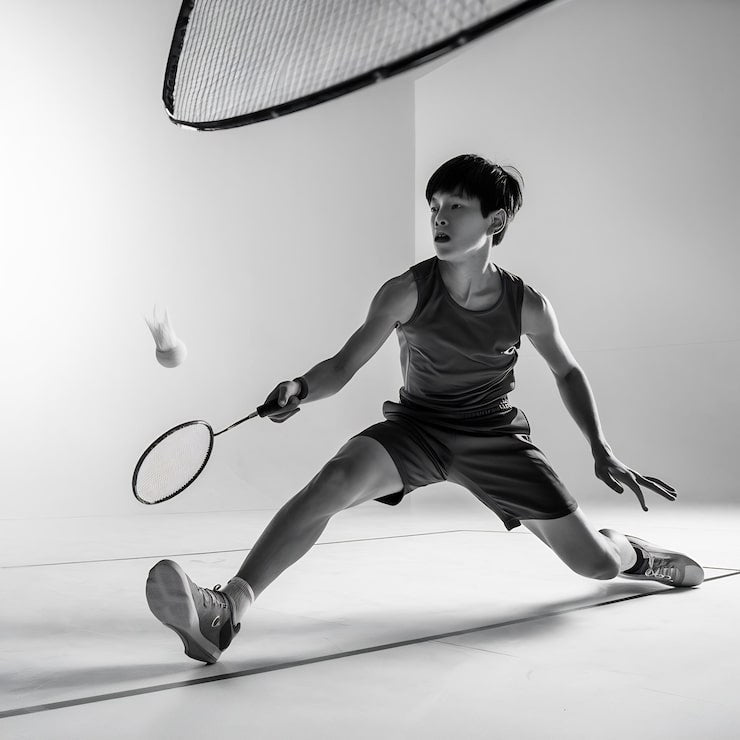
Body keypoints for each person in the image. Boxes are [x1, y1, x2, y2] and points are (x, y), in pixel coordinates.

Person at [145, 154, 703, 664]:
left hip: (494, 437)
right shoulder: (405, 291)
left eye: (456, 206)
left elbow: (568, 371)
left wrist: (601, 448)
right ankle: (227, 609)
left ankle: (635, 554)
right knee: (334, 481)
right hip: (418, 429)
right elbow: (342, 366)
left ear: (495, 220)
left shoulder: (526, 304)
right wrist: (300, 386)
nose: (439, 217)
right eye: (435, 205)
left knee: (594, 564)